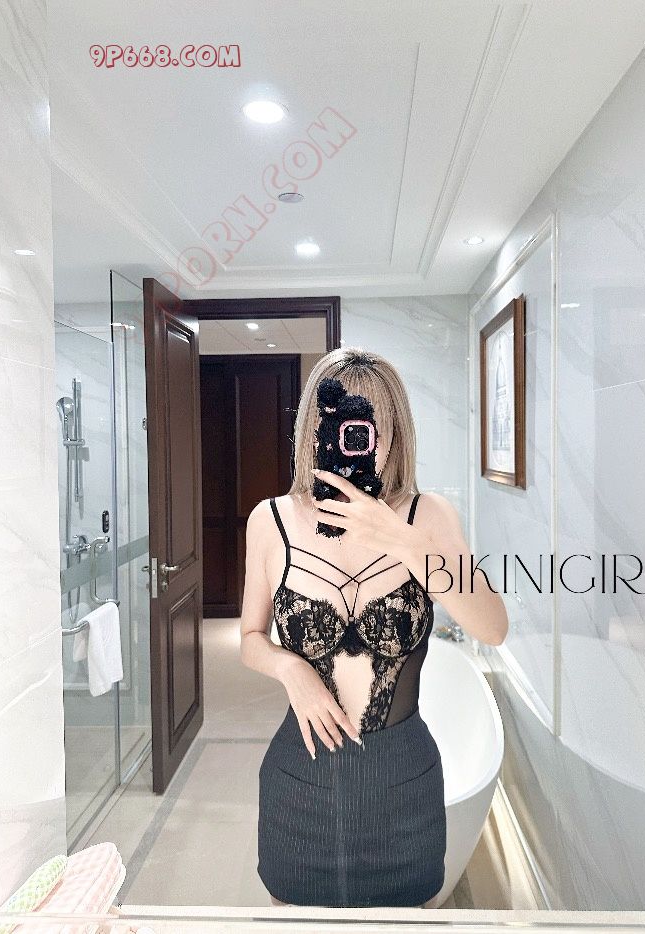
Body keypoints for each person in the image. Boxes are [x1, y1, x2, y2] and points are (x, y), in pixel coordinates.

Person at [240, 347, 508, 908]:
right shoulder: (270, 520)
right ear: (315, 430)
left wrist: (401, 539)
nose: (359, 441)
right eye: (341, 422)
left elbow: (492, 626)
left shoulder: (428, 515)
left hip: (403, 787)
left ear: (394, 433)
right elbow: (250, 639)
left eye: (374, 426)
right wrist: (291, 670)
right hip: (300, 782)